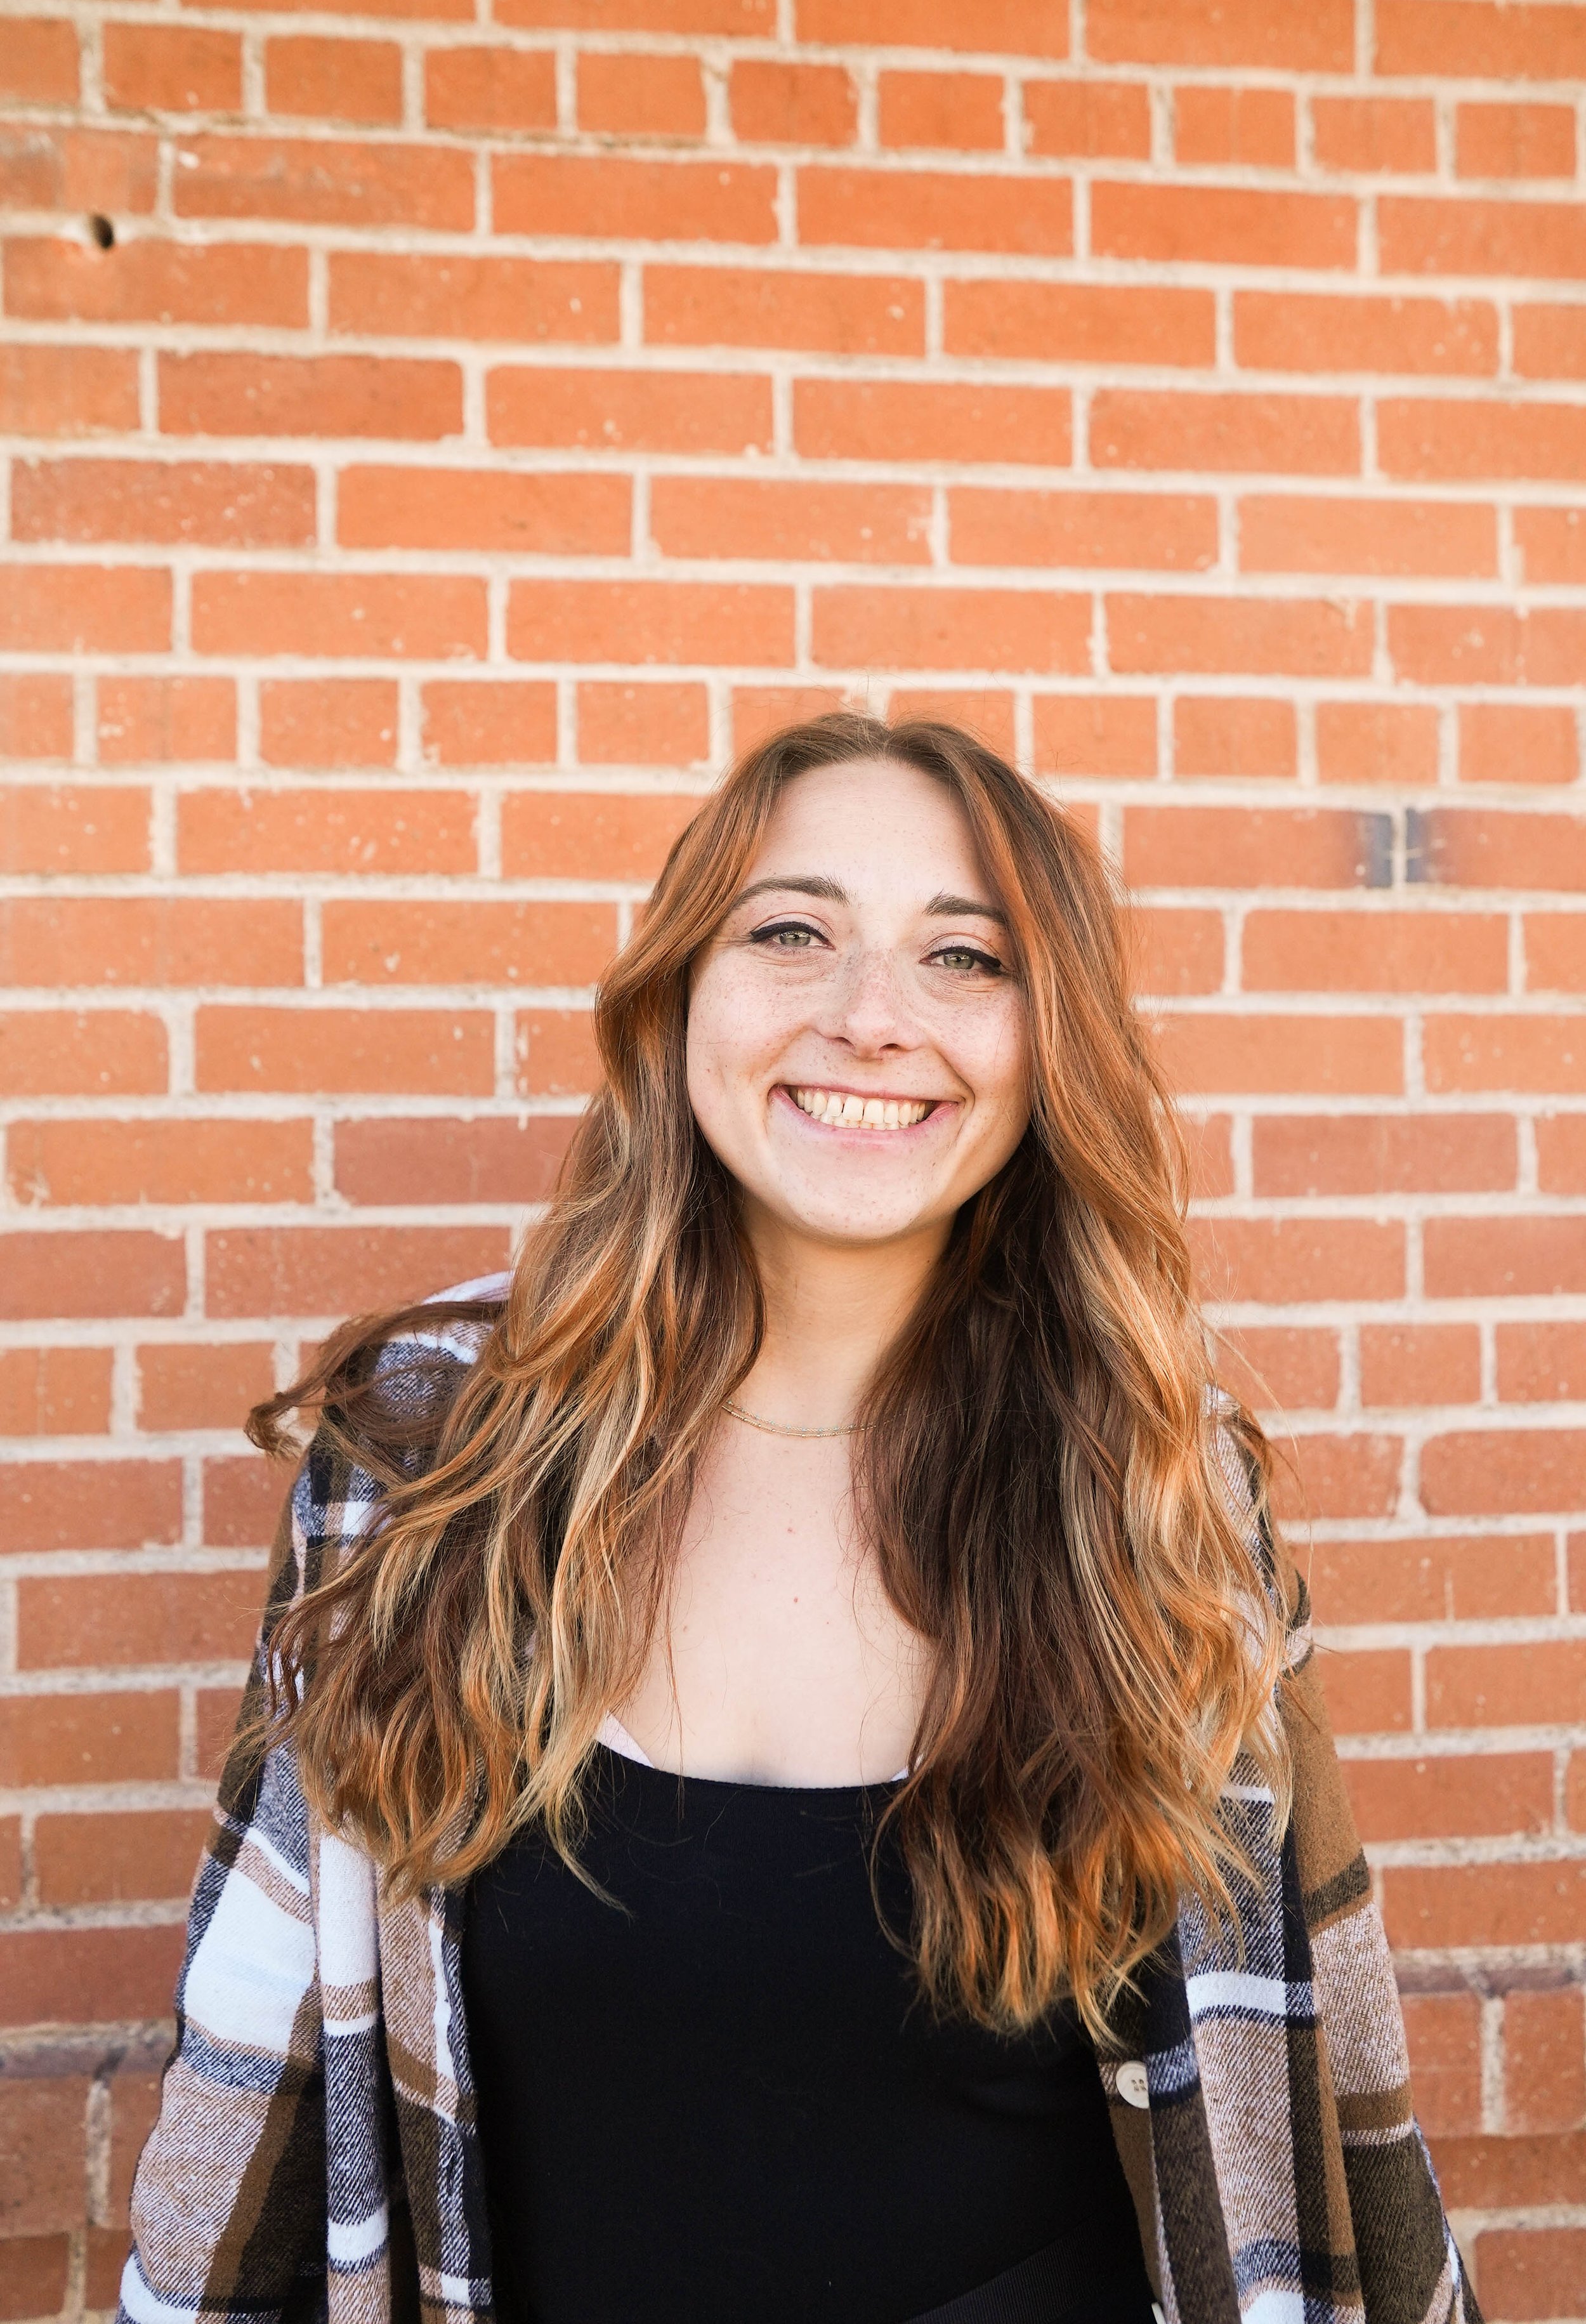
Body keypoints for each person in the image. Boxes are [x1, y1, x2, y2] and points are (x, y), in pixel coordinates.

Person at [117, 716, 1480, 2324]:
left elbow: (1321, 2090)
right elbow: (255, 2069)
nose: (869, 1019)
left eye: (963, 958)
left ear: (1050, 1043)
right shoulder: (431, 1457)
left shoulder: (1151, 1488)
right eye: (790, 931)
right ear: (680, 990)